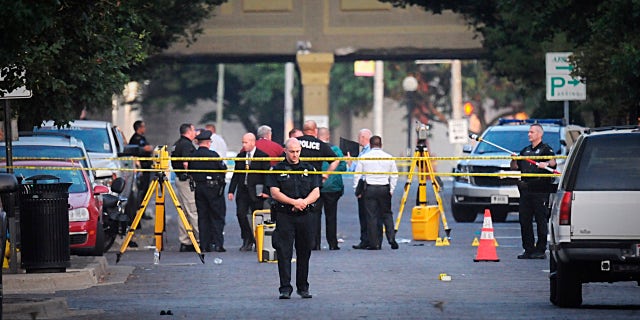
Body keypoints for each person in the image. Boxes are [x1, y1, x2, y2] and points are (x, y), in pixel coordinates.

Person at [266, 138, 321, 299]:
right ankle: (285, 288)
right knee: (284, 252)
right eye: (292, 151)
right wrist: (293, 202)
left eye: (297, 151)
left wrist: (303, 202)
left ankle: (303, 287)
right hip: (285, 215)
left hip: (305, 215)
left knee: (304, 251)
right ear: (285, 151)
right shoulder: (277, 169)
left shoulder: (309, 168)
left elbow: (316, 192)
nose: (295, 155)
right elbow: (274, 192)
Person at [510, 123, 557, 260]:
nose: (529, 134)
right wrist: (514, 160)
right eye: (529, 132)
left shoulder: (545, 149)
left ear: (539, 134)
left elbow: (553, 161)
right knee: (524, 220)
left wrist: (546, 164)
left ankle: (540, 250)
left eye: (532, 132)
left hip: (540, 190)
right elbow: (515, 167)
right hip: (525, 190)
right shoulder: (525, 151)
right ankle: (528, 249)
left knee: (541, 220)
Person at [296, 120, 339, 250]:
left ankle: (303, 242)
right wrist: (326, 174)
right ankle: (315, 243)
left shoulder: (296, 142)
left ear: (303, 130)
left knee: (299, 213)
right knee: (315, 213)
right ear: (315, 131)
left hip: (297, 183)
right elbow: (336, 159)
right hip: (314, 183)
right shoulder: (320, 145)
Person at [353, 135, 399, 250]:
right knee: (387, 214)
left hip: (370, 188)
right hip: (384, 188)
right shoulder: (389, 157)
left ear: (371, 144)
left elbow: (357, 175)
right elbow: (394, 175)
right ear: (381, 145)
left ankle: (375, 243)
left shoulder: (364, 157)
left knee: (371, 216)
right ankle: (392, 239)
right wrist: (392, 189)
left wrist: (356, 190)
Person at [227, 133, 271, 252]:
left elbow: (267, 175)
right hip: (243, 191)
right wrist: (231, 190)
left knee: (257, 216)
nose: (244, 145)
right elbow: (236, 175)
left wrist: (266, 191)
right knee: (241, 214)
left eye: (246, 142)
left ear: (252, 142)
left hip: (257, 191)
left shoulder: (262, 156)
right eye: (243, 142)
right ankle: (247, 239)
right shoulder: (240, 156)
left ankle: (258, 240)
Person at [189, 130, 228, 253]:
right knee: (217, 216)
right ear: (207, 142)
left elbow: (190, 171)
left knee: (203, 217)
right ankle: (217, 244)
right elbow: (222, 169)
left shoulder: (193, 156)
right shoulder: (213, 155)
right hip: (214, 189)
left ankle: (204, 245)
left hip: (199, 188)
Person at [316, 127, 346, 250]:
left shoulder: (315, 149)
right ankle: (332, 243)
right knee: (331, 216)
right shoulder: (336, 150)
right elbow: (343, 167)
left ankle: (315, 243)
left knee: (315, 216)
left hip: (316, 187)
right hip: (333, 188)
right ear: (328, 136)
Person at [171, 123, 200, 252]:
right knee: (192, 210)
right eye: (194, 130)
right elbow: (186, 163)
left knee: (182, 211)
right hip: (186, 181)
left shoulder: (177, 144)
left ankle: (185, 241)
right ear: (188, 131)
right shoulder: (187, 145)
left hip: (179, 178)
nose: (196, 132)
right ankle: (199, 240)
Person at [348, 128, 373, 249]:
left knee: (366, 214)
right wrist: (350, 163)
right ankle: (366, 239)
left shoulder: (368, 152)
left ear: (364, 138)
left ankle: (368, 239)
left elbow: (359, 169)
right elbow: (355, 168)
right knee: (364, 214)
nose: (358, 140)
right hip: (366, 184)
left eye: (359, 137)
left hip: (365, 185)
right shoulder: (363, 152)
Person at [129, 120, 154, 220]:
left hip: (147, 167)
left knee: (145, 192)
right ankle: (138, 213)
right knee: (141, 191)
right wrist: (146, 149)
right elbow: (136, 151)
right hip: (141, 169)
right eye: (143, 127)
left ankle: (142, 212)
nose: (145, 128)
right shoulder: (135, 139)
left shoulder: (142, 138)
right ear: (139, 128)